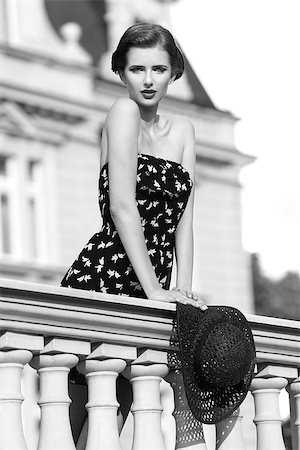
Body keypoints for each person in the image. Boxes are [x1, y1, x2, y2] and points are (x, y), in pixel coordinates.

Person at [61, 23, 207, 449]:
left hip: (153, 284)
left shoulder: (184, 130)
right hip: (111, 274)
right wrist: (155, 292)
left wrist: (183, 290)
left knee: (118, 415)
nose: (148, 80)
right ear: (121, 74)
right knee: (84, 421)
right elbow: (123, 208)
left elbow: (185, 219)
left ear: (173, 73)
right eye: (137, 69)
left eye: (158, 69)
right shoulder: (121, 113)